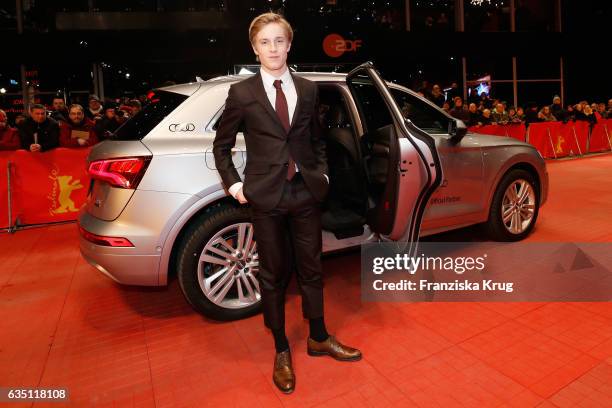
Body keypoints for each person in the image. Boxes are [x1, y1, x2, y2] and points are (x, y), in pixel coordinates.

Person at [212, 12, 361, 395]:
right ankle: (281, 348)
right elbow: (222, 145)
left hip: (305, 193)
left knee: (312, 269)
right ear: (255, 48)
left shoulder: (308, 89)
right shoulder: (242, 93)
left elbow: (316, 140)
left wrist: (323, 175)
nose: (273, 48)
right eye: (265, 42)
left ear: (289, 44)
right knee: (273, 275)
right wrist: (234, 186)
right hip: (266, 197)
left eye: (279, 41)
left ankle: (319, 336)